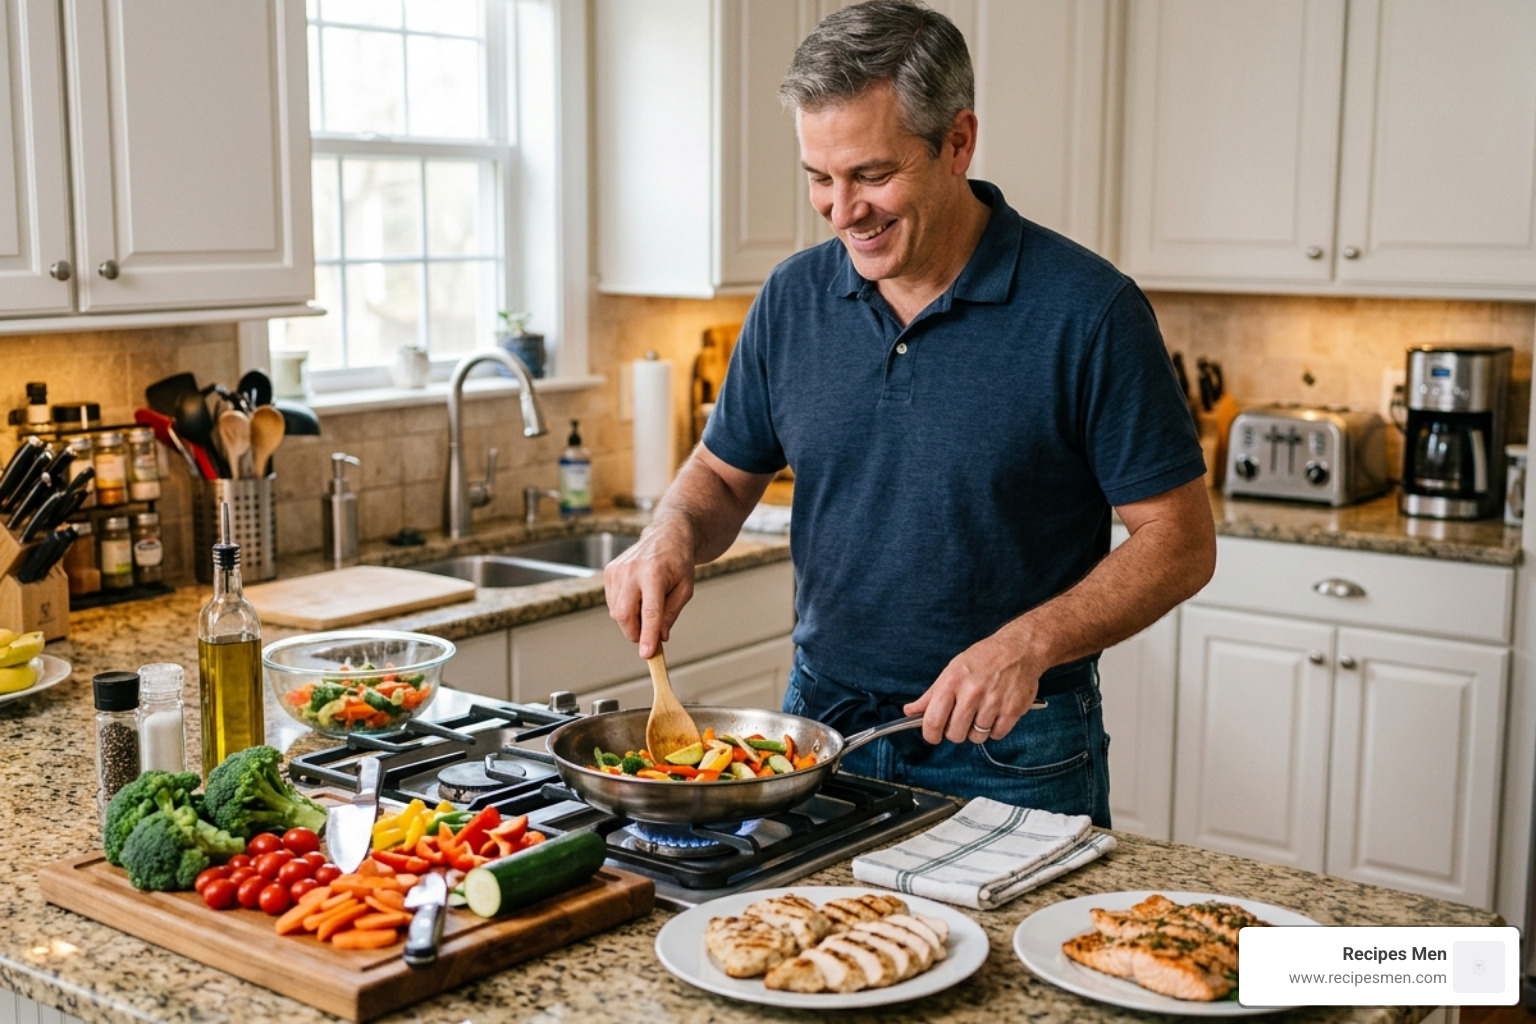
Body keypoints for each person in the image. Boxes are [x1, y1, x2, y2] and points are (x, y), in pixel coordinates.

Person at [604, 0, 1215, 826]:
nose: (841, 209)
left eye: (871, 174)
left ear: (958, 142)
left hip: (1014, 745)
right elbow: (721, 470)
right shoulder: (792, 298)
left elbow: (1179, 541)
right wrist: (671, 532)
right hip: (817, 728)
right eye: (820, 178)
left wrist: (1026, 646)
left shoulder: (1089, 311)